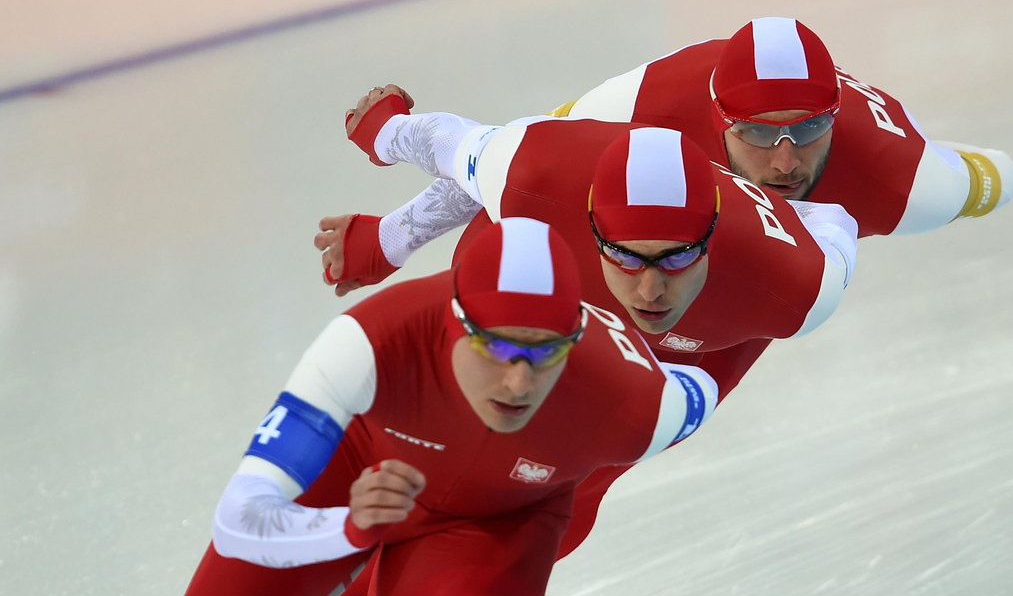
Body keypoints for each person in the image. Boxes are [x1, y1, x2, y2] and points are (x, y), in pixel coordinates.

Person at [321, 91, 857, 559]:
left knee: (544, 500)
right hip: (542, 246)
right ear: (589, 221)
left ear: (713, 240)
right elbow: (444, 143)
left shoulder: (795, 286)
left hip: (672, 353)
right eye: (624, 254)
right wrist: (387, 223)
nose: (649, 288)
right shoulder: (538, 169)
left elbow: (836, 222)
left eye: (676, 257)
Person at [170, 217, 718, 596]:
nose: (519, 381)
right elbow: (240, 517)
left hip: (499, 523)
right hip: (361, 467)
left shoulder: (633, 403)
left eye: (546, 353)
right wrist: (350, 529)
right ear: (453, 323)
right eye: (497, 348)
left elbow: (698, 386)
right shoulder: (369, 342)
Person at [319, 15, 1013, 297]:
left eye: (807, 132)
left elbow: (997, 180)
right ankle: (398, 139)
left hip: (897, 163)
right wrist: (394, 235)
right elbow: (503, 158)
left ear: (834, 117)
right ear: (715, 117)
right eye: (759, 133)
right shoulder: (650, 101)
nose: (784, 162)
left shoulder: (909, 185)